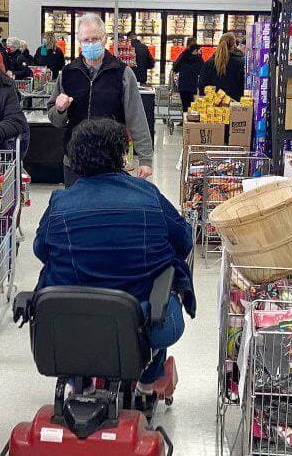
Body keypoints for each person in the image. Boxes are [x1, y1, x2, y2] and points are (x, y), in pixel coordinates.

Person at [34, 118, 194, 401]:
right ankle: (147, 383)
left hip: (70, 324)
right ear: (121, 154)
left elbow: (41, 250)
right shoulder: (148, 196)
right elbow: (183, 240)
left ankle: (78, 383)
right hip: (141, 320)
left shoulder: (60, 203)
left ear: (74, 160)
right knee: (164, 279)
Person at [49, 12, 154, 187]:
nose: (90, 44)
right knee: (77, 210)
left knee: (108, 211)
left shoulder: (122, 73)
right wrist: (60, 109)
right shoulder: (67, 73)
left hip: (111, 162)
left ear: (105, 39)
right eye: (86, 40)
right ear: (79, 42)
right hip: (74, 161)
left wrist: (145, 158)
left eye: (95, 39)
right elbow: (55, 119)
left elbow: (136, 117)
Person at [199, 32, 246, 102]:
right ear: (234, 45)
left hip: (214, 107)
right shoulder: (241, 62)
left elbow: (202, 86)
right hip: (235, 106)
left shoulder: (209, 63)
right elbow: (244, 85)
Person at [171, 37, 204, 113]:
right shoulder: (198, 59)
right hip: (193, 85)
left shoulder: (183, 56)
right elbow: (202, 71)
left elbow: (175, 67)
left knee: (185, 105)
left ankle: (185, 121)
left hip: (183, 85)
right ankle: (189, 121)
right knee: (192, 105)